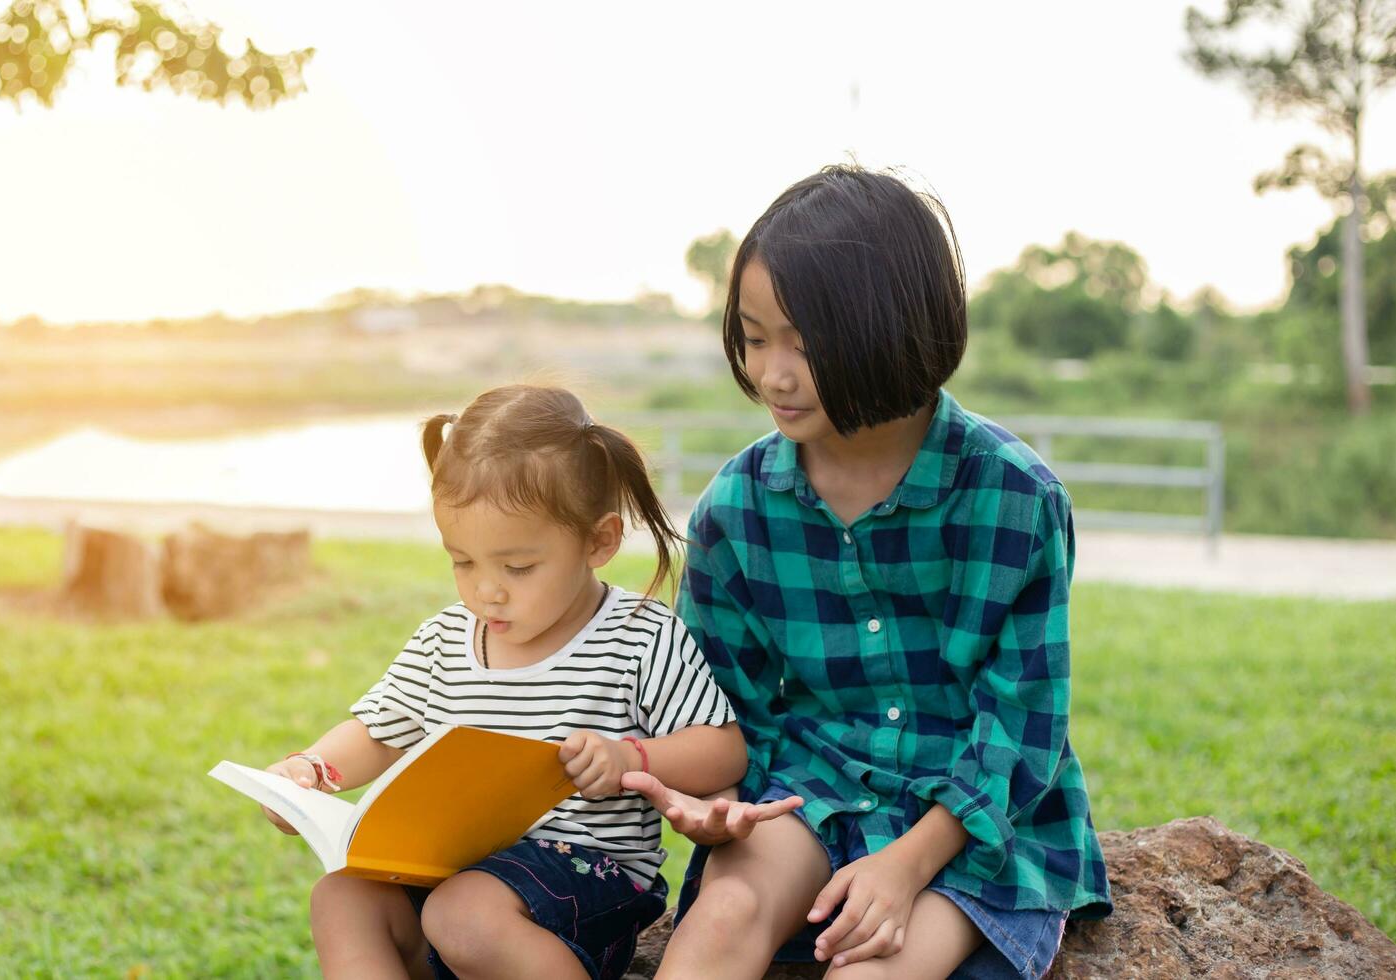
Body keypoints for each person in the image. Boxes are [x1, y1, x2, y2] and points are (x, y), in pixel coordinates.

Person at [622, 165, 1113, 980]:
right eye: (754, 336)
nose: (773, 373)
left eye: (807, 345)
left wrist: (907, 863)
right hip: (808, 788)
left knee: (873, 968)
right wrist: (714, 802)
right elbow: (730, 715)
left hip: (968, 817)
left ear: (896, 331)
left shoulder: (1014, 498)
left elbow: (1020, 729)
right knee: (724, 918)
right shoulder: (734, 512)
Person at [259, 384, 768, 980]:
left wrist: (629, 756)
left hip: (585, 884)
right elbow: (377, 732)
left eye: (518, 567)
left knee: (465, 912)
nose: (486, 590)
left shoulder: (638, 635)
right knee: (340, 897)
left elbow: (722, 750)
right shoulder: (444, 639)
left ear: (598, 541)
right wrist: (312, 772)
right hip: (447, 873)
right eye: (462, 561)